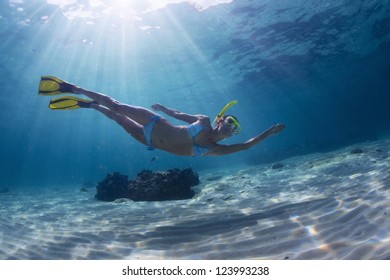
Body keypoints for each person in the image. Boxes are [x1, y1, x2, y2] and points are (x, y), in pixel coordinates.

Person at [38, 76, 285, 157]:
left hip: (148, 141)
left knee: (115, 118)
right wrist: (164, 110)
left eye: (235, 129)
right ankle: (73, 88)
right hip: (154, 122)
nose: (232, 130)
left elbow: (247, 146)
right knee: (117, 106)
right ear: (221, 119)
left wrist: (269, 133)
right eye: (231, 123)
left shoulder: (215, 149)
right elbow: (179, 114)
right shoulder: (204, 120)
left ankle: (89, 105)